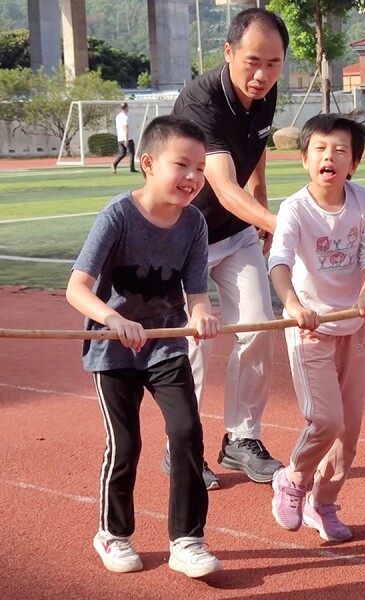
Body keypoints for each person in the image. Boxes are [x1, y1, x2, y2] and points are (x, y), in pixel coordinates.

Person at [66, 115, 223, 578]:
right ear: (149, 163)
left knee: (187, 433)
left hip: (164, 345)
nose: (193, 177)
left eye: (200, 167)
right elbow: (77, 287)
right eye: (182, 165)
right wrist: (113, 320)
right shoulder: (118, 215)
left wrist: (201, 314)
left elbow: (195, 293)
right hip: (112, 350)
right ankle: (113, 534)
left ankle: (187, 540)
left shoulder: (194, 222)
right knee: (126, 443)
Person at [169, 8, 289, 488]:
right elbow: (219, 185)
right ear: (228, 53)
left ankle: (241, 440)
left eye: (274, 63)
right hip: (185, 235)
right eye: (253, 62)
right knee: (193, 344)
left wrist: (261, 218)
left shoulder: (267, 91)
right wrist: (280, 224)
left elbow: (255, 161)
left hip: (236, 233)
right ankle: (184, 446)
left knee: (258, 327)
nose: (262, 75)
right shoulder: (201, 103)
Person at [267, 113, 365, 542]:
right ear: (304, 159)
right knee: (326, 420)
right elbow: (278, 262)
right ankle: (293, 480)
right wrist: (294, 306)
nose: (329, 156)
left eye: (340, 150)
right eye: (319, 148)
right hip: (310, 327)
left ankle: (323, 503)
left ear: (353, 163)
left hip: (351, 327)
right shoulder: (295, 207)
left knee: (349, 431)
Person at [112, 103, 137, 174]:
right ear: (126, 107)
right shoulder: (125, 117)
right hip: (127, 138)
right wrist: (126, 139)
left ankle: (114, 164)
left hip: (120, 138)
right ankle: (132, 168)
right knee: (132, 153)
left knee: (122, 153)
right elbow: (125, 128)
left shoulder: (118, 116)